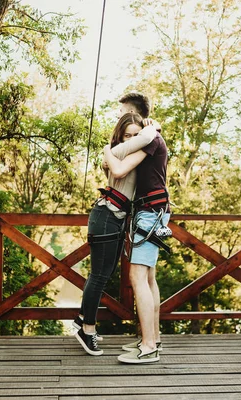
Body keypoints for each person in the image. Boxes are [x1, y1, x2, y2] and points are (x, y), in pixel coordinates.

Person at [73, 95, 157, 356]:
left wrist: (146, 131)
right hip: (106, 215)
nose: (131, 139)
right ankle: (87, 330)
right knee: (99, 276)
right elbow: (129, 156)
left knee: (101, 275)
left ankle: (82, 319)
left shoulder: (126, 150)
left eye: (135, 134)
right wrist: (152, 129)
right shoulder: (119, 151)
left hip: (114, 218)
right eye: (126, 135)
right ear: (120, 136)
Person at [103, 107, 170, 364]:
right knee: (149, 277)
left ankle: (149, 345)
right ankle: (153, 337)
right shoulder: (149, 137)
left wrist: (107, 150)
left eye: (124, 111)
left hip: (152, 211)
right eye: (126, 136)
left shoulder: (151, 138)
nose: (130, 140)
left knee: (137, 275)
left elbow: (117, 171)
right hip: (152, 209)